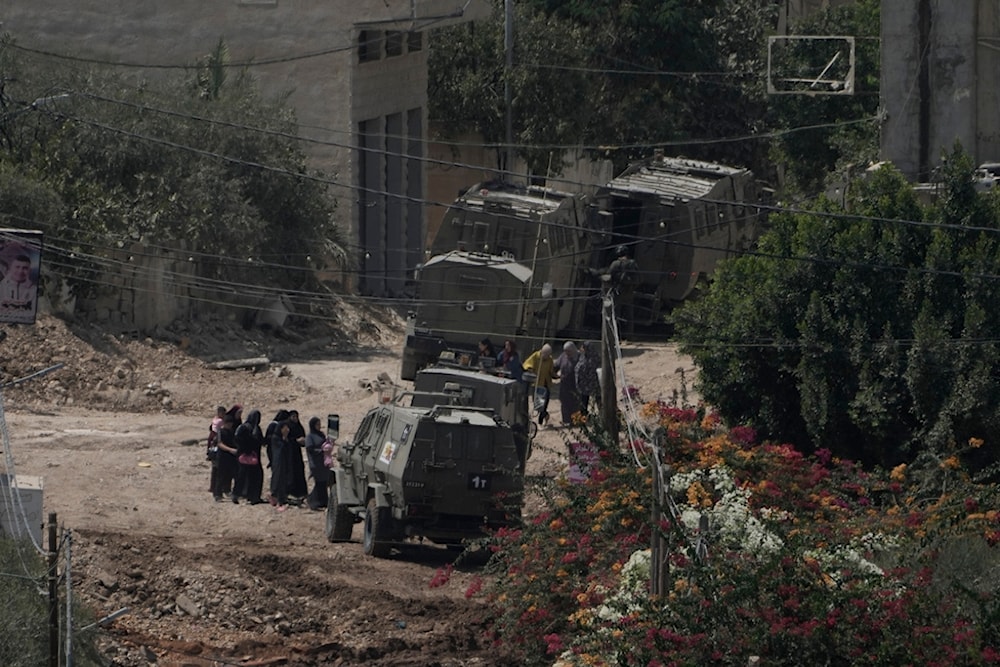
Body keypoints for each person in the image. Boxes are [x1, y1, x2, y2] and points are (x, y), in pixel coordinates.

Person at [233, 410, 265, 505]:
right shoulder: (243, 427)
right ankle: (236, 494)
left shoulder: (256, 428)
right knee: (242, 476)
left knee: (255, 476)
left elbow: (260, 440)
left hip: (254, 457)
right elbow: (237, 439)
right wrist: (248, 446)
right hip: (245, 456)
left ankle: (253, 496)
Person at [607, 245, 639, 337]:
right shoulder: (633, 263)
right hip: (629, 293)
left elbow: (609, 276)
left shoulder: (615, 264)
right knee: (629, 316)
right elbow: (639, 279)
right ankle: (629, 335)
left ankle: (614, 336)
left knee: (615, 315)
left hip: (618, 292)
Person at [522, 343, 556, 426]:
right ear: (542, 352)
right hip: (537, 384)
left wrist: (555, 375)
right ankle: (545, 415)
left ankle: (541, 421)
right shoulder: (536, 356)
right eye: (546, 355)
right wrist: (529, 368)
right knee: (538, 404)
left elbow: (551, 371)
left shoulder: (550, 359)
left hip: (546, 384)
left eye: (548, 355)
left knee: (544, 404)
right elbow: (527, 364)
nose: (547, 357)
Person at [304, 417, 331, 511]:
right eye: (317, 424)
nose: (319, 426)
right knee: (319, 482)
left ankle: (323, 501)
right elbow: (310, 449)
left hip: (323, 462)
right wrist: (321, 451)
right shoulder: (310, 437)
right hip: (315, 463)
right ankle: (313, 501)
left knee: (324, 482)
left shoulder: (321, 434)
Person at [213, 413, 239, 501]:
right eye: (228, 423)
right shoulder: (221, 432)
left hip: (231, 457)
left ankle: (227, 490)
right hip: (222, 457)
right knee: (220, 476)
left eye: (231, 423)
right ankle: (217, 494)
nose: (230, 424)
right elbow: (220, 444)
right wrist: (230, 449)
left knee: (230, 475)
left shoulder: (232, 432)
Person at [268, 419, 293, 512]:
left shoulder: (283, 438)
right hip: (278, 462)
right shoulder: (275, 437)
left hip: (284, 462)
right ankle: (279, 501)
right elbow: (280, 449)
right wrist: (284, 438)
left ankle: (280, 498)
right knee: (278, 479)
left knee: (283, 480)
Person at [285, 410, 309, 503]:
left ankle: (301, 492)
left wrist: (303, 441)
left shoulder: (298, 426)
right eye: (293, 417)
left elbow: (302, 435)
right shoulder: (287, 426)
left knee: (299, 470)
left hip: (297, 453)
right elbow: (286, 439)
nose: (295, 419)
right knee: (291, 471)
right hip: (289, 452)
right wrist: (296, 441)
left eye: (296, 417)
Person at [555, 341, 580, 426]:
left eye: (568, 351)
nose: (567, 353)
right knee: (564, 402)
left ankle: (576, 421)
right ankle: (566, 420)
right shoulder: (563, 356)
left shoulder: (579, 357)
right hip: (564, 384)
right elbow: (556, 366)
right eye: (565, 351)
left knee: (575, 403)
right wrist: (554, 374)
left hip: (576, 384)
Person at [575, 340, 600, 412]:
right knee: (583, 403)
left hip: (592, 383)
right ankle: (583, 418)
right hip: (583, 385)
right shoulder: (583, 356)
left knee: (598, 401)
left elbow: (590, 369)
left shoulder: (594, 358)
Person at [206, 405, 225, 493]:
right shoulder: (221, 421)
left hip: (212, 437)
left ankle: (213, 486)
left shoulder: (215, 418)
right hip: (216, 438)